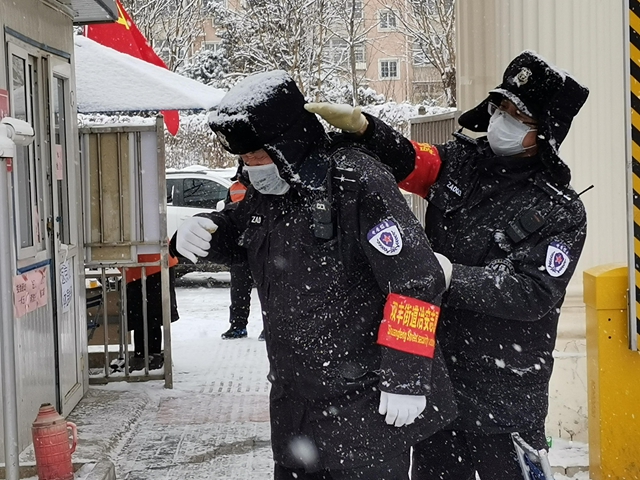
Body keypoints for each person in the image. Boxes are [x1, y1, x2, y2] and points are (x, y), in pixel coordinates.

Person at [306, 50, 589, 480]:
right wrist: (365, 130)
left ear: (546, 133)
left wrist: (450, 275)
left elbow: (533, 294)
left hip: (507, 398)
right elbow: (408, 161)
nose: (503, 120)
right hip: (437, 386)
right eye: (501, 107)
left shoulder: (561, 211)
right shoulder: (460, 164)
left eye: (520, 116)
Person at [171, 70, 457, 479]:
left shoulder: (355, 181)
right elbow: (240, 231)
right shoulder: (269, 191)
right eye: (245, 161)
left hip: (366, 406)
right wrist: (198, 231)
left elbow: (416, 279)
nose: (252, 170)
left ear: (288, 146)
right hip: (295, 406)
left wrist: (407, 378)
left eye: (260, 158)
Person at [220, 160, 265, 340]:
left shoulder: (265, 184)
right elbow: (227, 214)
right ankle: (238, 325)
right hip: (240, 247)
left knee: (267, 290)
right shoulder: (234, 187)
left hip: (261, 246)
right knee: (239, 289)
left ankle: (269, 327)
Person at [121, 252, 180, 372]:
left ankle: (145, 357)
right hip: (154, 262)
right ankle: (150, 356)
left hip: (147, 264)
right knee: (150, 316)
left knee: (144, 316)